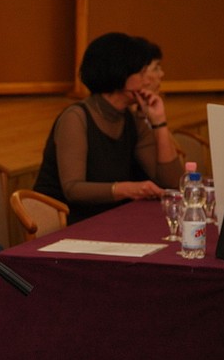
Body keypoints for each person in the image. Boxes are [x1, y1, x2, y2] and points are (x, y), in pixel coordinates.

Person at [33, 32, 182, 224]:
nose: (147, 81)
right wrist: (129, 189)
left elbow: (171, 182)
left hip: (114, 219)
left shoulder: (131, 118)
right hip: (70, 223)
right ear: (119, 74)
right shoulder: (76, 117)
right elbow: (73, 189)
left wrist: (159, 122)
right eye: (141, 73)